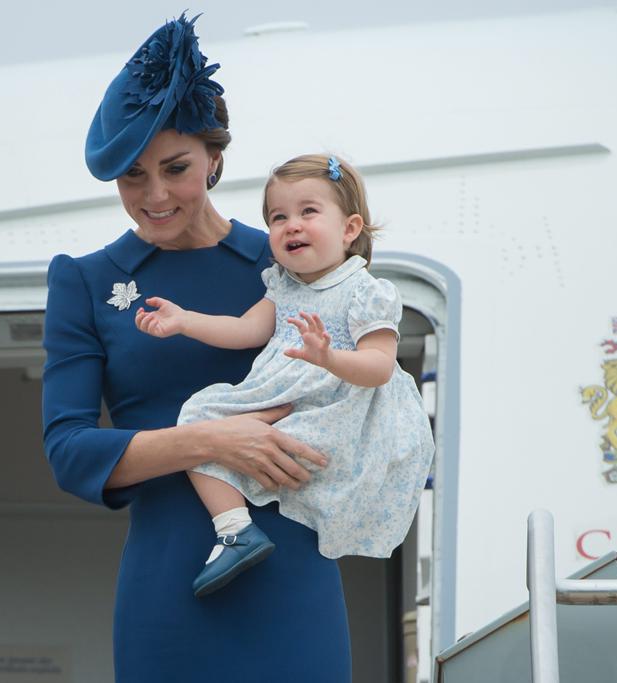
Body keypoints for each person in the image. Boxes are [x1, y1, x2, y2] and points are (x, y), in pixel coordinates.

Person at [42, 14, 351, 681]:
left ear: (215, 158)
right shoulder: (88, 281)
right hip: (171, 585)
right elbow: (67, 449)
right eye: (132, 177)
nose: (154, 197)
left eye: (175, 168)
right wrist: (212, 440)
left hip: (294, 574)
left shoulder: (289, 266)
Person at [134, 154, 435, 598]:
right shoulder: (283, 285)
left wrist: (329, 357)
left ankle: (261, 522)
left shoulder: (367, 291)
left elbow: (379, 367)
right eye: (278, 217)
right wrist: (185, 321)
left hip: (336, 409)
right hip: (282, 395)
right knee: (199, 413)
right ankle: (235, 529)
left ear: (349, 229)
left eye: (308, 212)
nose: (291, 225)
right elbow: (244, 330)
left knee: (279, 448)